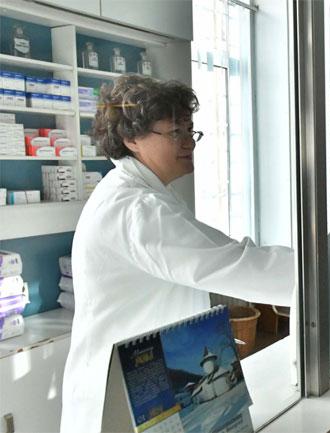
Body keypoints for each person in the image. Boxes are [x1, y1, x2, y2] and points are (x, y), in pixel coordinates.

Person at [60, 75, 294, 433]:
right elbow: (233, 264)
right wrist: (324, 269)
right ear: (131, 139)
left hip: (148, 381)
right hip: (121, 401)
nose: (188, 142)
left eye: (189, 130)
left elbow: (221, 252)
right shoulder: (136, 208)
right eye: (174, 132)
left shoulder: (149, 195)